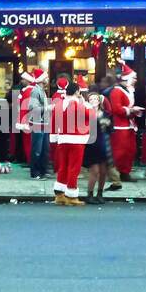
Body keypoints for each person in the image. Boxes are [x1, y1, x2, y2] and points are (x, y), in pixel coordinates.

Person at [51, 77, 91, 205]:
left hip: (62, 139)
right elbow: (90, 116)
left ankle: (60, 194)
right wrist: (85, 103)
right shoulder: (77, 105)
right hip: (76, 140)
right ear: (77, 92)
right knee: (74, 168)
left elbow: (53, 123)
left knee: (63, 166)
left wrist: (54, 137)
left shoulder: (58, 104)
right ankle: (71, 196)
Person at [109, 64, 141, 184]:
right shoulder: (117, 91)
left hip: (129, 125)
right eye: (134, 78)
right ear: (127, 78)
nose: (135, 80)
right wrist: (131, 110)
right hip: (120, 126)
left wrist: (134, 111)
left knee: (130, 150)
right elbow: (117, 109)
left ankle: (125, 172)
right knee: (120, 151)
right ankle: (115, 174)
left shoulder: (128, 91)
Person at [83, 85, 112, 204]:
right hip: (91, 144)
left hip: (102, 144)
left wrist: (108, 124)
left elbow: (111, 129)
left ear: (99, 101)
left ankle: (100, 193)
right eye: (91, 99)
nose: (93, 101)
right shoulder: (86, 113)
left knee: (103, 171)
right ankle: (89, 194)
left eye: (96, 99)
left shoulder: (105, 114)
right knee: (94, 171)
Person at [27, 68, 51, 179]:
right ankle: (35, 172)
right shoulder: (36, 91)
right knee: (37, 150)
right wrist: (47, 107)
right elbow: (32, 108)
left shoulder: (41, 90)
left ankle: (42, 171)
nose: (48, 79)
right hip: (38, 124)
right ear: (41, 80)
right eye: (46, 77)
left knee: (44, 149)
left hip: (43, 123)